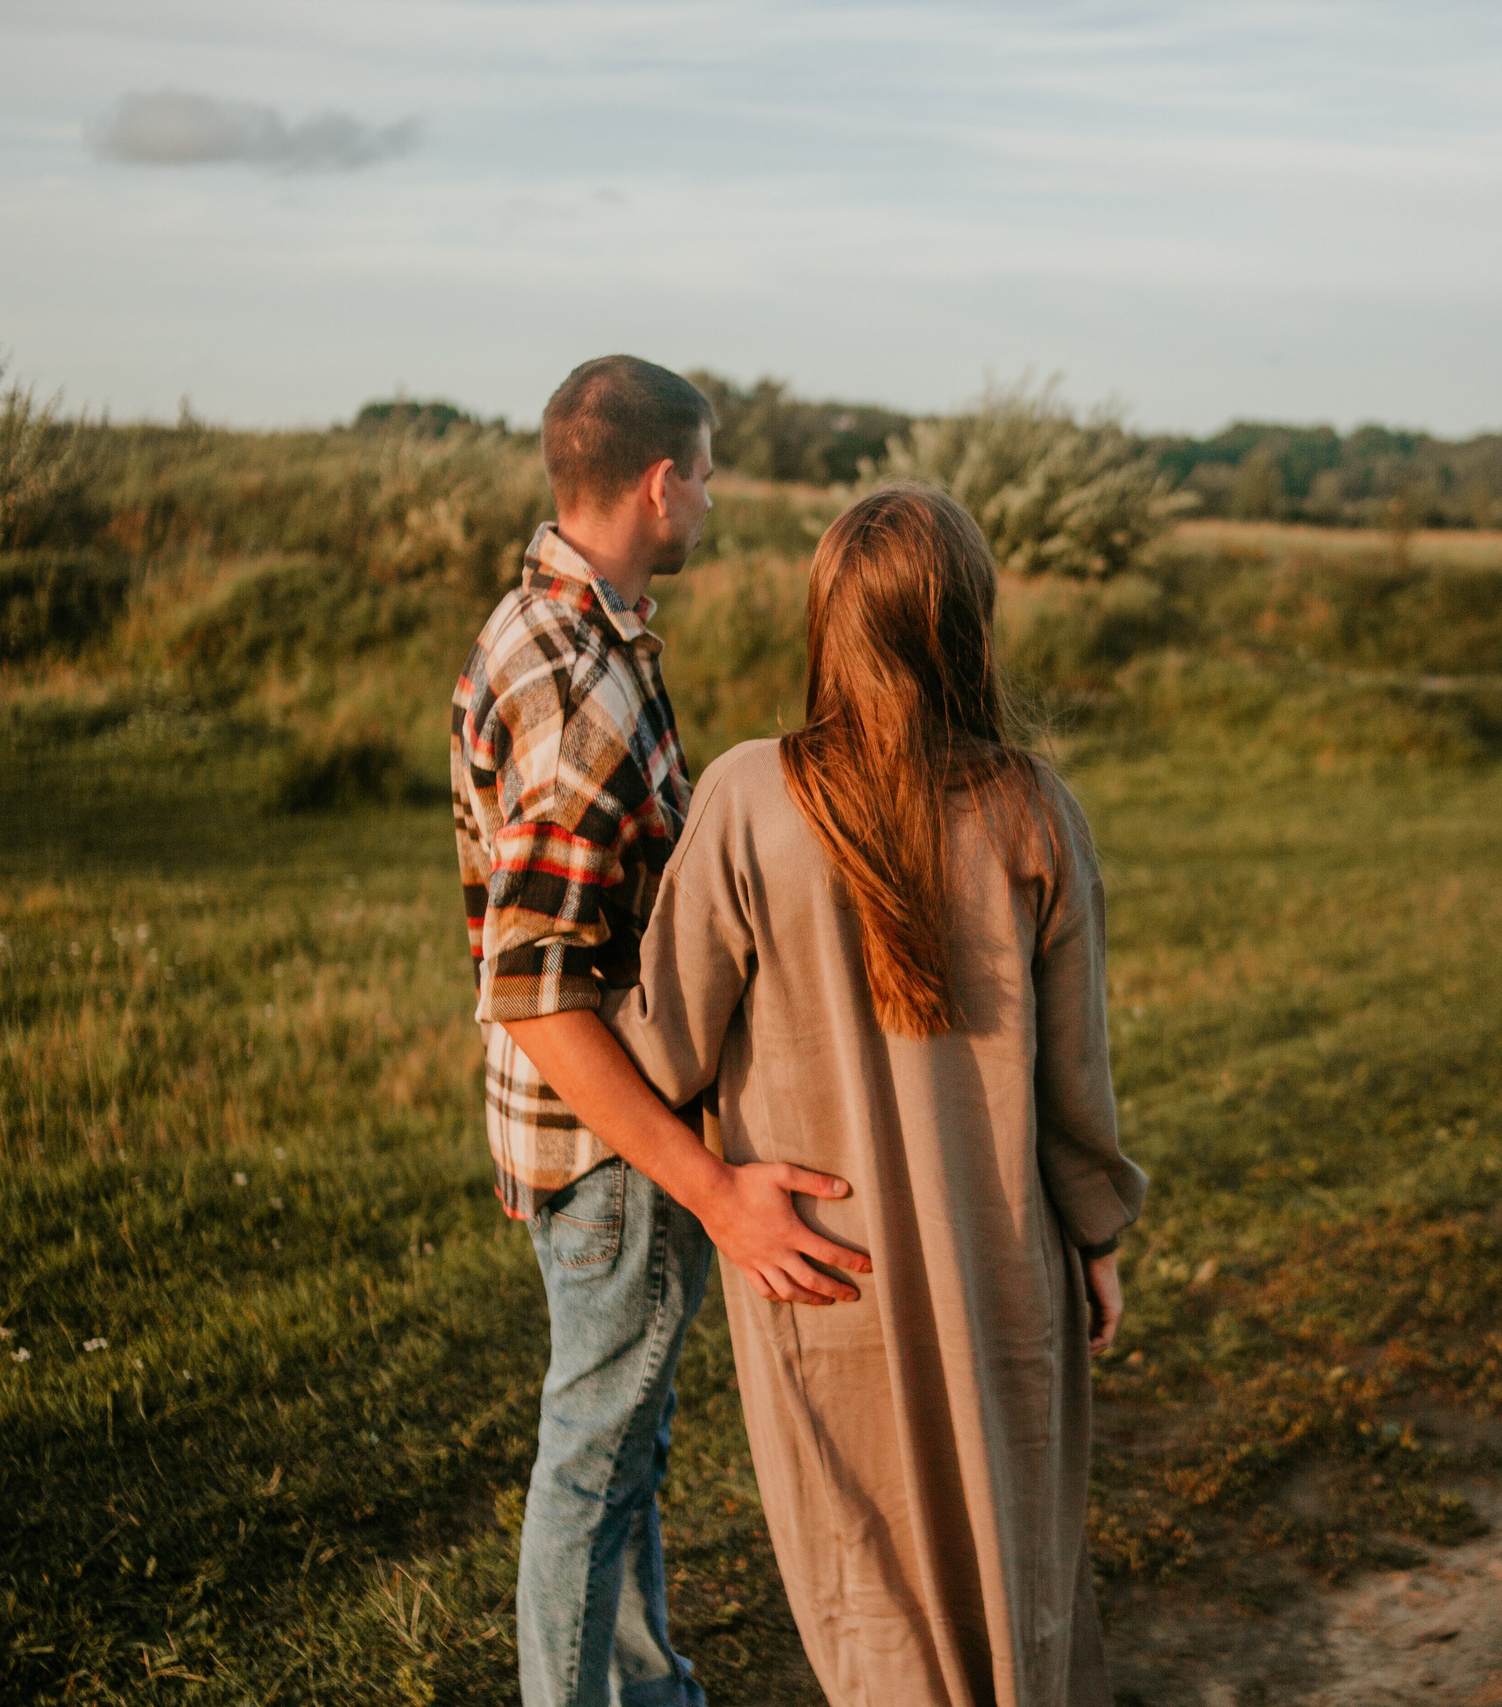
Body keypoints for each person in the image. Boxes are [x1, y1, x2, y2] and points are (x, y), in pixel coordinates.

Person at [594, 484, 1148, 1705]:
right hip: (1007, 1266)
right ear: (972, 631)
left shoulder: (744, 799)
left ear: (827, 624)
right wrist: (1096, 1238)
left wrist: (545, 986)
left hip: (820, 1269)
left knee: (871, 1605)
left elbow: (665, 1054)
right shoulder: (1035, 812)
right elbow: (1075, 1085)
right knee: (1016, 1583)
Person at [451, 355, 871, 1707]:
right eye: (707, 467)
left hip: (597, 1139)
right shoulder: (588, 693)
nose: (715, 492)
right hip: (614, 1146)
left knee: (621, 1438)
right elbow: (536, 989)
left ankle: (650, 1687)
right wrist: (715, 1190)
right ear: (658, 480)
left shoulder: (547, 624)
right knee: (592, 1451)